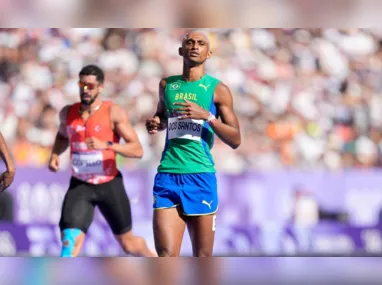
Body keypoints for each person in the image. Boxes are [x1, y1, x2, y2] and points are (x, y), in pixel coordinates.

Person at [146, 30, 241, 257]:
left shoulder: (218, 90)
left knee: (203, 257)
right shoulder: (167, 85)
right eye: (190, 42)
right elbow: (162, 115)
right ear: (181, 50)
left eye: (201, 43)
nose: (195, 46)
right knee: (166, 256)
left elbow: (236, 139)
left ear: (209, 53)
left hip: (200, 177)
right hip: (167, 175)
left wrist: (206, 116)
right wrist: (156, 123)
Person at [48, 64, 156, 257]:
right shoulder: (67, 113)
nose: (85, 89)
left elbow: (138, 150)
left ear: (100, 87)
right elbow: (63, 135)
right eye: (82, 84)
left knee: (129, 245)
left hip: (109, 184)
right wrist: (56, 154)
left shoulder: (113, 112)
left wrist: (107, 145)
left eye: (90, 85)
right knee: (69, 241)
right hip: (80, 185)